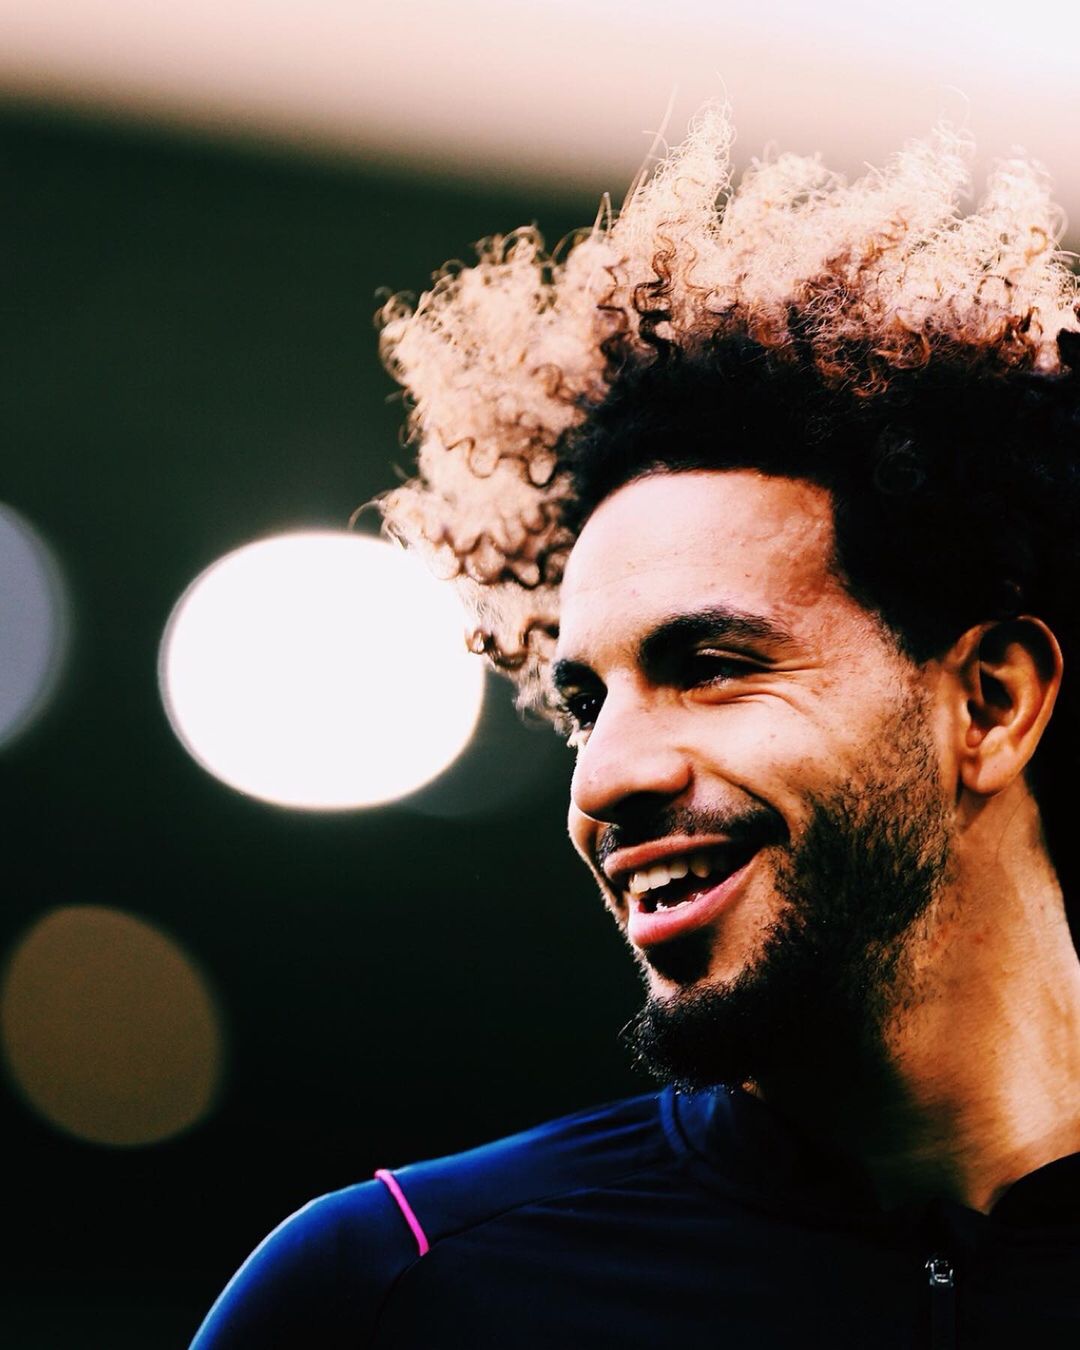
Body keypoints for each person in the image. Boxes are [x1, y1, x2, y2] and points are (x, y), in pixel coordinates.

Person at [191, 107, 1080, 1348]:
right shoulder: (384, 1294)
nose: (604, 778)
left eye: (710, 668)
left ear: (989, 702)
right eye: (584, 705)